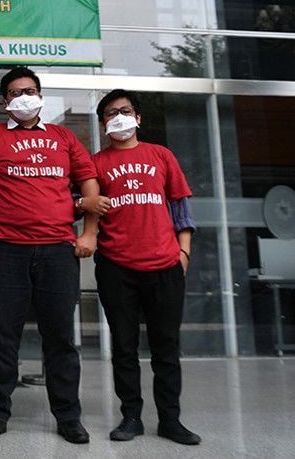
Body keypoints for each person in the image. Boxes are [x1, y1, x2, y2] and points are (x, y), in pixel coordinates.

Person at [0, 66, 100, 444]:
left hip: (57, 250)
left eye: (30, 90)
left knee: (61, 338)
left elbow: (90, 185)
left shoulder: (64, 137)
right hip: (7, 251)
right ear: (5, 101)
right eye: (16, 92)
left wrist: (89, 234)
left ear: (40, 96)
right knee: (2, 337)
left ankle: (68, 416)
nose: (24, 97)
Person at [86, 89, 200, 445]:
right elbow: (81, 203)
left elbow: (181, 207)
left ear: (138, 117)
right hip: (116, 266)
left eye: (124, 110)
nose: (118, 117)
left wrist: (183, 254)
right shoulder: (95, 162)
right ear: (103, 123)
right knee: (124, 346)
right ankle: (131, 417)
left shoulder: (161, 155)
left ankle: (170, 419)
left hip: (165, 264)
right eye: (110, 113)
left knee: (166, 346)